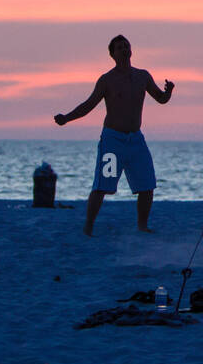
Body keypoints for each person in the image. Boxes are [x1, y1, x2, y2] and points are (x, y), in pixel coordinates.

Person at [55, 35, 173, 235]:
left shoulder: (143, 76)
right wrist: (66, 118)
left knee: (147, 186)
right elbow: (88, 105)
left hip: (135, 140)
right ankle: (89, 226)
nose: (124, 49)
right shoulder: (107, 80)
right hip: (113, 141)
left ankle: (142, 226)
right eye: (119, 47)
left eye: (126, 46)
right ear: (112, 54)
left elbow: (161, 99)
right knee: (103, 186)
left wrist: (168, 91)